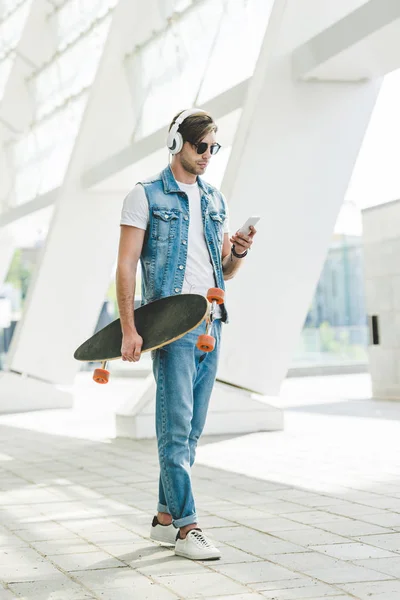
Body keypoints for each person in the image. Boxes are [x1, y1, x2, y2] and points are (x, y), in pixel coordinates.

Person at [117, 108, 257, 560]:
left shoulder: (215, 200)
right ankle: (186, 527)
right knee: (175, 429)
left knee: (192, 430)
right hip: (171, 327)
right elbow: (125, 266)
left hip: (212, 324)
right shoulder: (145, 197)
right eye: (201, 146)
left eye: (214, 148)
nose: (208, 155)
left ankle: (162, 518)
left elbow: (225, 272)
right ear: (178, 144)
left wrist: (236, 252)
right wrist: (128, 327)